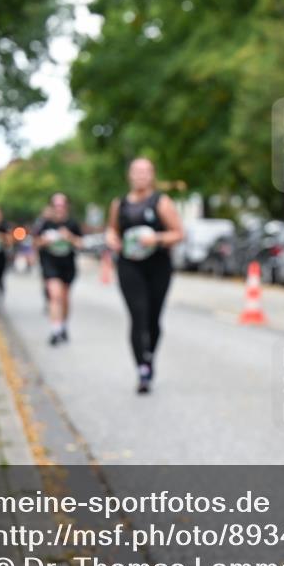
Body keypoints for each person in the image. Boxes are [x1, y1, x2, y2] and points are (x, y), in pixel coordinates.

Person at [106, 157, 184, 394]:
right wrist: (112, 240)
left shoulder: (161, 202)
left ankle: (149, 358)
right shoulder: (119, 204)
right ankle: (142, 369)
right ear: (129, 175)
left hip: (158, 265)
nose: (140, 175)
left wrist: (157, 238)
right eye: (136, 171)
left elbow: (179, 233)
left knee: (153, 319)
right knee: (138, 316)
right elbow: (112, 230)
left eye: (145, 171)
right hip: (130, 266)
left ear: (152, 175)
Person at [34, 193, 83, 346]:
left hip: (68, 266)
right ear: (51, 207)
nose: (59, 208)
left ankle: (63, 326)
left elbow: (81, 244)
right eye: (56, 205)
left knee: (65, 298)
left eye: (62, 205)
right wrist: (45, 240)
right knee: (55, 296)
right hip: (50, 264)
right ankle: (55, 331)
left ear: (66, 207)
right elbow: (35, 243)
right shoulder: (44, 224)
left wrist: (69, 237)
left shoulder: (72, 224)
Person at [32, 204, 53, 313]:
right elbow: (35, 241)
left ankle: (52, 300)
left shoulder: (56, 223)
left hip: (56, 258)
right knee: (46, 280)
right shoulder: (41, 224)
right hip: (44, 257)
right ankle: (48, 299)